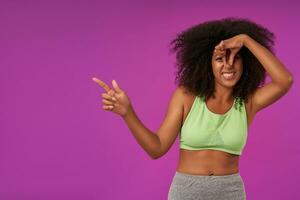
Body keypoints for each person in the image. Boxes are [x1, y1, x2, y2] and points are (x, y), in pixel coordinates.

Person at [92, 17, 293, 200]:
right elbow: (157, 147)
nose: (229, 65)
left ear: (246, 62)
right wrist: (128, 113)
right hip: (187, 191)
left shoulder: (247, 102)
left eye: (236, 57)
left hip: (230, 192)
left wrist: (245, 40)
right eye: (220, 59)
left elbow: (285, 80)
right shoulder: (186, 96)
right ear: (208, 64)